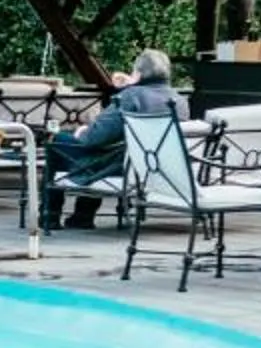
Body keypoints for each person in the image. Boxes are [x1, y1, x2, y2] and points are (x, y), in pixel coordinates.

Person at [45, 49, 179, 229]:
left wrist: (83, 131)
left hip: (119, 167)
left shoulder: (131, 97)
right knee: (104, 148)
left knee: (58, 141)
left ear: (138, 74)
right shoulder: (178, 100)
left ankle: (50, 215)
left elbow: (95, 138)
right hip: (154, 167)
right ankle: (82, 215)